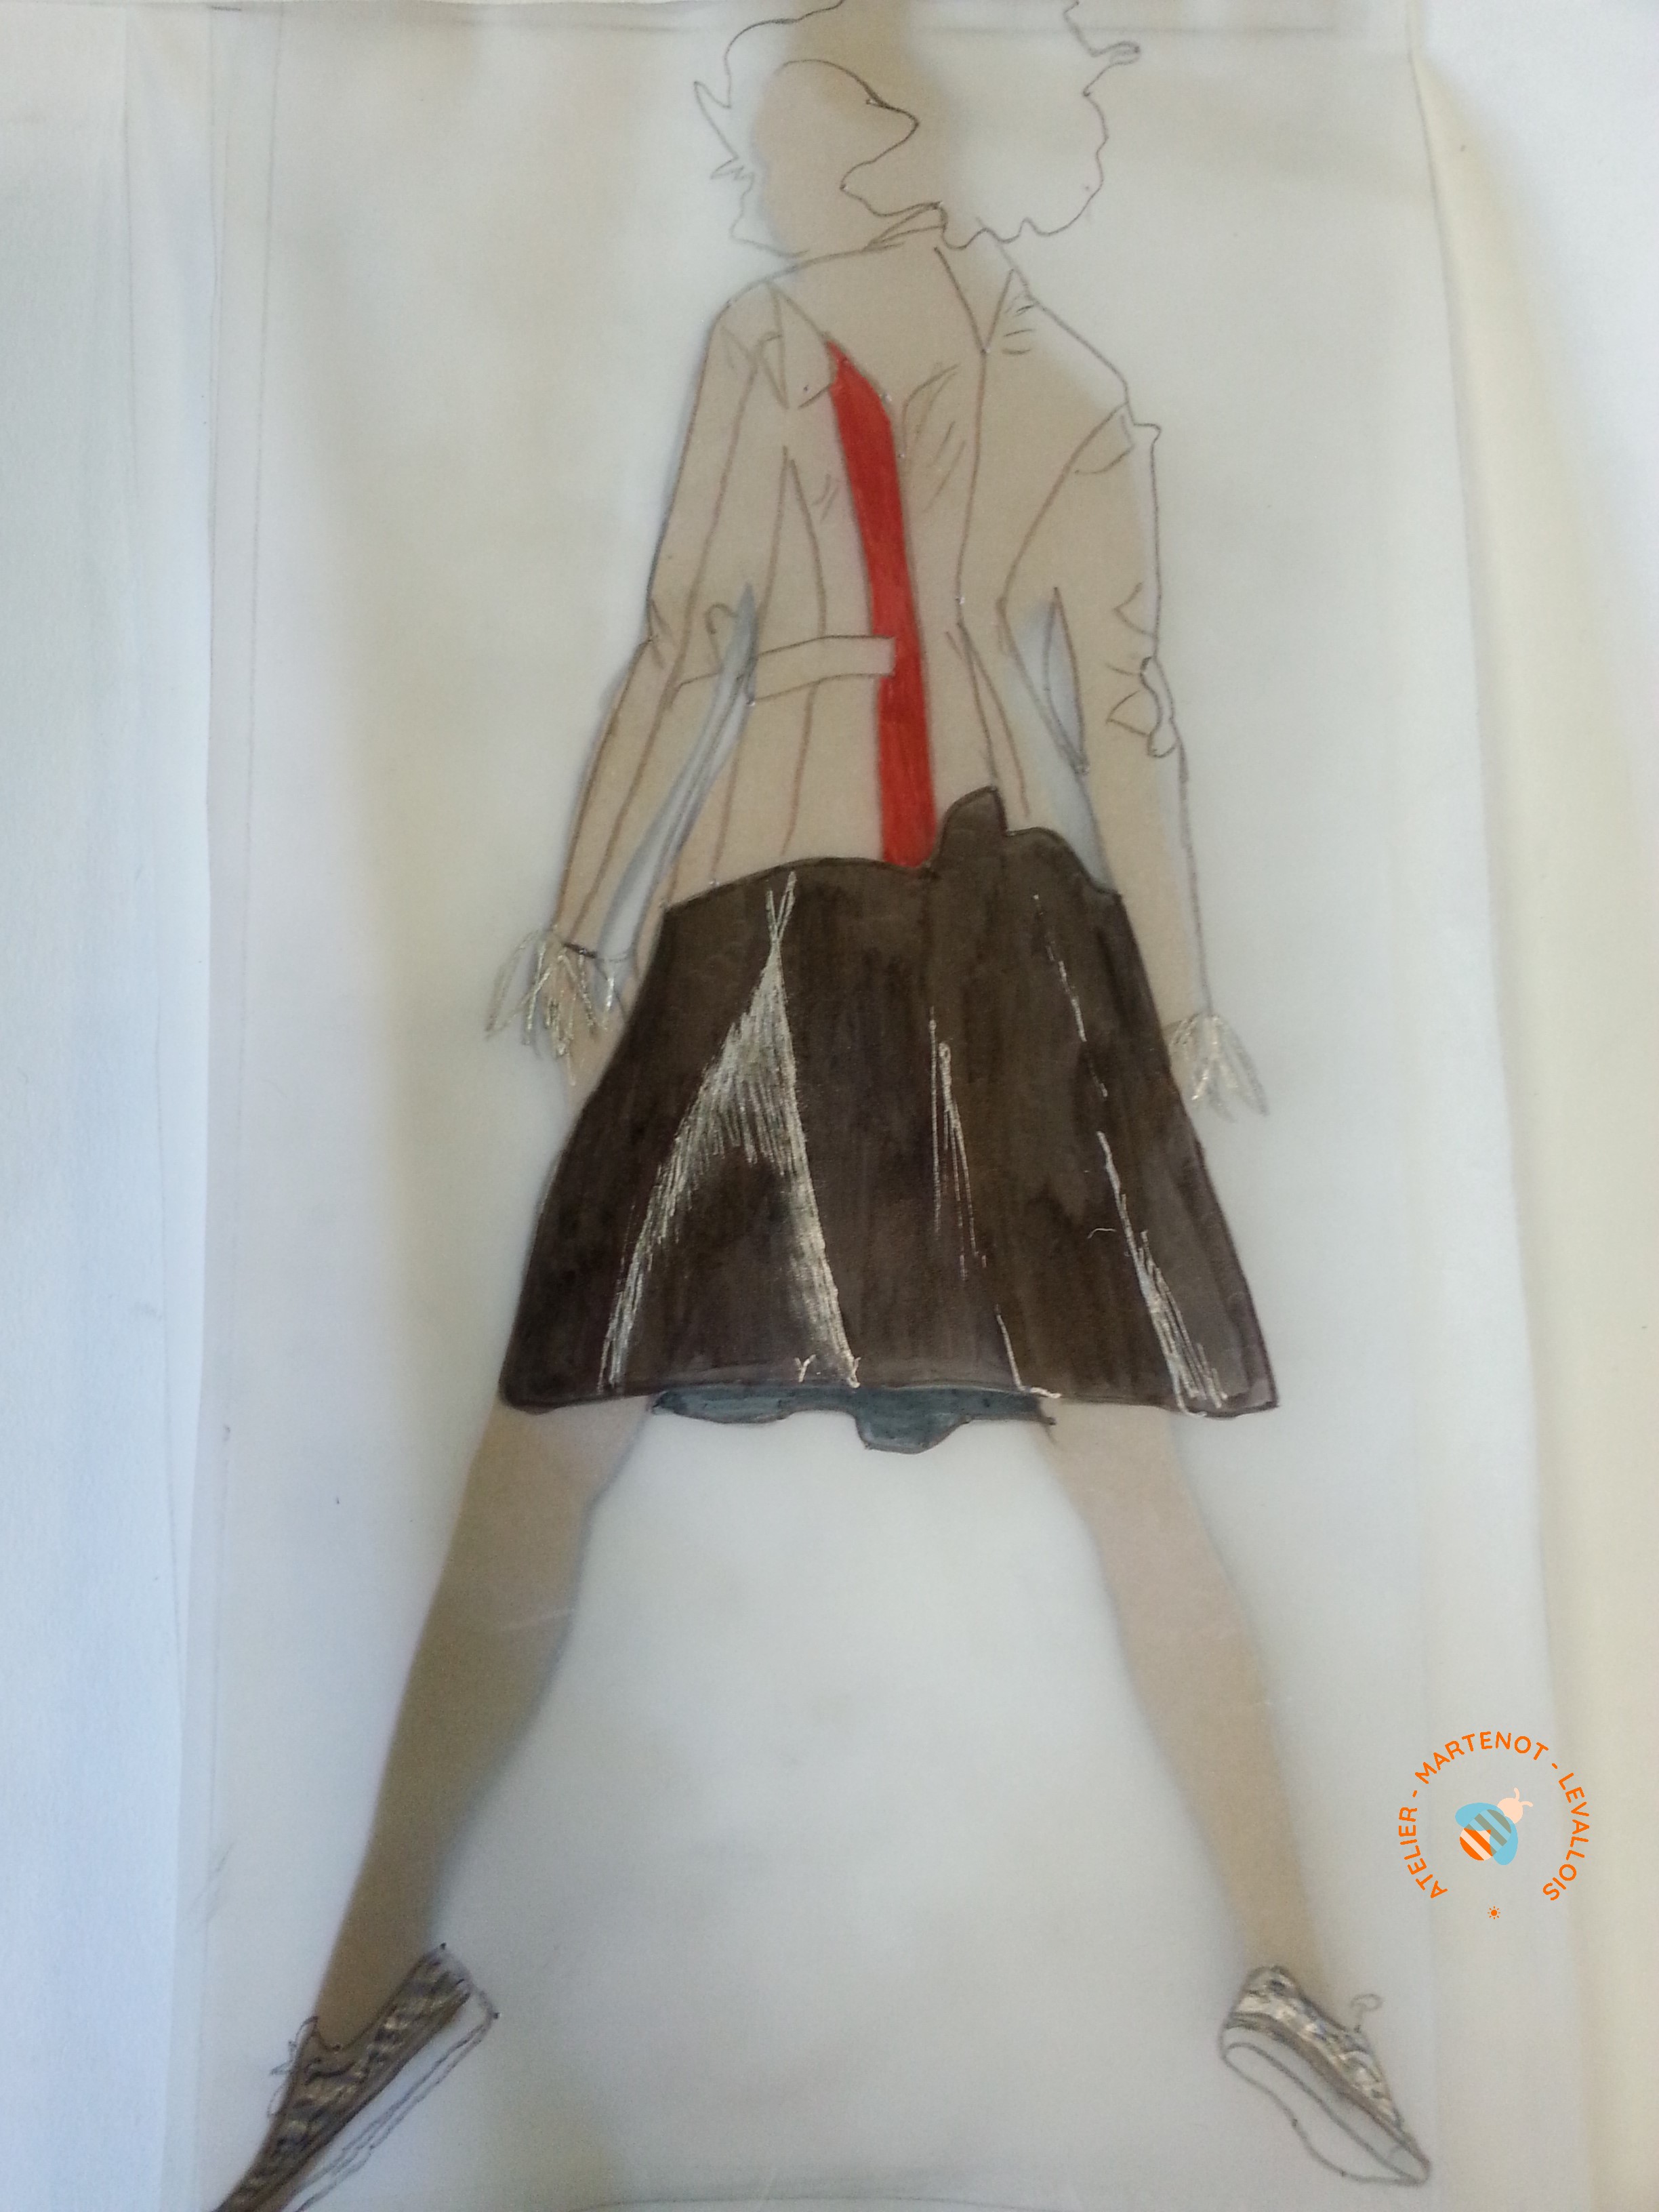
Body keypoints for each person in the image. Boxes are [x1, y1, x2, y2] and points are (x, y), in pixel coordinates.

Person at [214, 7, 1428, 2205]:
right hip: (1015, 948)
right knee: (1128, 1472)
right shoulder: (1074, 391)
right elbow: (1128, 718)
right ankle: (1302, 1987)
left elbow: (687, 644)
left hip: (776, 927)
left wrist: (578, 919)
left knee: (549, 1452)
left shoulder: (771, 345)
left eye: (777, 141)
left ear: (877, 156)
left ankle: (357, 2001)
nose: (749, 178)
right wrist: (1181, 999)